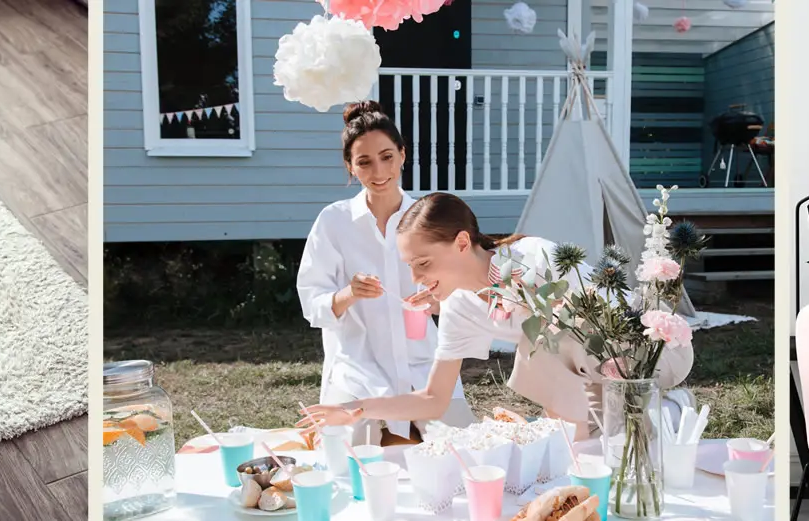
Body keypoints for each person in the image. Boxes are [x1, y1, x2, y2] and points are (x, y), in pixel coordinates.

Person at [300, 192, 695, 438]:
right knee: (581, 442)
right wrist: (357, 409)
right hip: (587, 379)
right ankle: (626, 424)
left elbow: (593, 327)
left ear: (460, 242)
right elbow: (433, 398)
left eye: (422, 263)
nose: (416, 278)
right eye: (410, 267)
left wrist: (562, 419)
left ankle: (667, 410)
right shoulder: (457, 305)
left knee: (542, 343)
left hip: (647, 353)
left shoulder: (533, 258)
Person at [294, 101, 474, 446]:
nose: (378, 172)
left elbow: (461, 291)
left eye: (387, 157)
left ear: (403, 154)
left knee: (463, 459)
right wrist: (350, 293)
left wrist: (436, 300)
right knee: (354, 473)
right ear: (350, 166)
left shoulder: (427, 217)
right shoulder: (334, 222)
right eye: (364, 162)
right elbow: (312, 304)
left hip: (424, 366)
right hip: (358, 370)